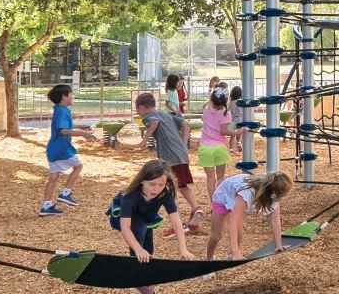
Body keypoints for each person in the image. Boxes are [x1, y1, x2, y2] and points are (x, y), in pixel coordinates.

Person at [111, 160, 194, 293]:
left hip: (145, 217)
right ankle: (137, 276)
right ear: (142, 181)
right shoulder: (130, 196)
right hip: (122, 218)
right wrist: (138, 249)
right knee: (139, 234)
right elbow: (126, 227)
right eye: (152, 184)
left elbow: (177, 223)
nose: (156, 188)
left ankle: (145, 274)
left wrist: (183, 249)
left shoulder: (165, 193)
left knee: (148, 247)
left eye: (161, 184)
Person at [135, 92, 203, 237]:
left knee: (168, 192)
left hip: (169, 158)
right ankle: (196, 210)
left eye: (137, 110)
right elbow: (185, 124)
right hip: (181, 154)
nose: (138, 113)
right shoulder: (165, 114)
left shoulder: (148, 117)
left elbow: (154, 123)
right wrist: (184, 144)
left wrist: (143, 141)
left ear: (141, 107)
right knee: (182, 186)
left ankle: (176, 226)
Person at [205, 171, 293, 260]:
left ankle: (231, 255)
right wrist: (236, 252)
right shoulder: (247, 193)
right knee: (217, 235)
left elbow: (275, 220)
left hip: (237, 196)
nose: (282, 198)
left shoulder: (273, 196)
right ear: (273, 192)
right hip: (223, 195)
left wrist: (278, 245)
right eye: (282, 195)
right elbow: (233, 222)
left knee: (239, 234)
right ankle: (209, 259)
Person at [40, 84, 96, 216]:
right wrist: (84, 134)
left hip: (53, 149)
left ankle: (46, 206)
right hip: (61, 149)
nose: (73, 97)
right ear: (64, 96)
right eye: (71, 94)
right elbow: (63, 130)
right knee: (78, 166)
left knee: (53, 177)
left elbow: (66, 126)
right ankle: (65, 194)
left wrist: (82, 128)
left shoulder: (60, 109)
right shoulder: (62, 111)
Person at [198, 85, 245, 204]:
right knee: (220, 177)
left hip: (205, 147)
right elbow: (224, 131)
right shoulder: (225, 113)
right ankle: (219, 202)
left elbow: (210, 122)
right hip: (219, 147)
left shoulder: (206, 109)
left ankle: (212, 203)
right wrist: (238, 131)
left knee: (210, 178)